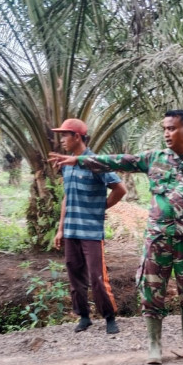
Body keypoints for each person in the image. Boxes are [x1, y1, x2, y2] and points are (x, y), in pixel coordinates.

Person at [50, 110, 183, 365]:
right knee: (152, 291)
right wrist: (78, 161)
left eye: (172, 128)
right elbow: (116, 161)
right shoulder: (154, 158)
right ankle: (154, 346)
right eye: (164, 128)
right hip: (158, 238)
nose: (166, 133)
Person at [52, 118, 127, 334]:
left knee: (97, 277)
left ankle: (110, 318)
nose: (62, 139)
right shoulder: (67, 165)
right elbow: (67, 196)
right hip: (72, 230)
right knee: (74, 274)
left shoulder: (97, 162)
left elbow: (120, 189)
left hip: (92, 232)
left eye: (65, 135)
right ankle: (83, 317)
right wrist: (60, 228)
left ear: (77, 136)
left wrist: (100, 207)